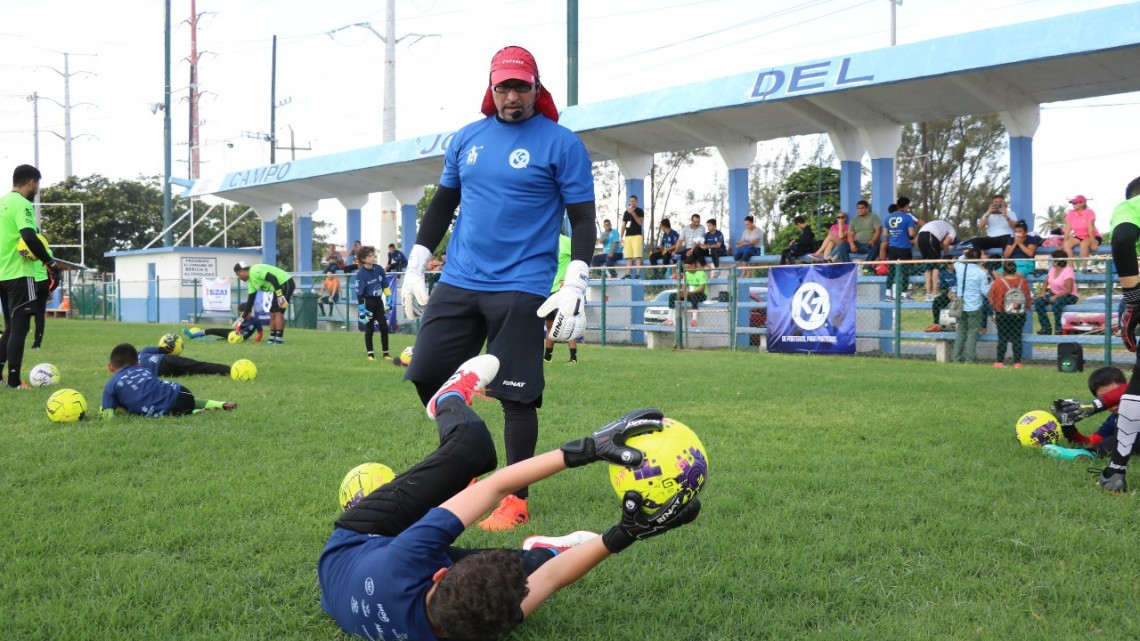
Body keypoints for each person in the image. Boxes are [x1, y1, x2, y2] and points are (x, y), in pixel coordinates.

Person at [319, 355, 700, 641]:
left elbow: (494, 486)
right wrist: (627, 531)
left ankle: (448, 399)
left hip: (359, 537)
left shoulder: (407, 557)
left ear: (438, 570)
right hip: (381, 572)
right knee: (534, 566)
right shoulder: (480, 623)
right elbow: (548, 580)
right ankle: (544, 547)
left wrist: (590, 449)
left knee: (473, 449)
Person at [399, 46, 597, 531]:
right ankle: (468, 466)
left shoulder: (561, 143)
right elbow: (444, 204)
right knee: (426, 374)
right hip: (459, 279)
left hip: (523, 285)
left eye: (521, 87)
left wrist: (577, 281)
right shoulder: (467, 138)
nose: (512, 96)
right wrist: (417, 261)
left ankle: (514, 497)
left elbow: (583, 218)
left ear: (536, 88)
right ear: (491, 89)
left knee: (518, 397)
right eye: (503, 87)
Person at [1055, 175, 1140, 492]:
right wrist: (1069, 428)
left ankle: (1116, 473)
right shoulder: (1117, 416)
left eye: (1111, 393)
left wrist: (1132, 297)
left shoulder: (1132, 205)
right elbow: (1094, 439)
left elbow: (1120, 242)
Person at [0, 164, 60, 389]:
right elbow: (29, 236)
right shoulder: (22, 204)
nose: (37, 190)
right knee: (20, 328)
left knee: (9, 327)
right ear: (32, 182)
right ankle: (14, 381)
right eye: (38, 185)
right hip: (19, 274)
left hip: (1, 273)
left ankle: (1, 376)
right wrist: (49, 261)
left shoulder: (1, 202)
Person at [100, 343, 235, 419]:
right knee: (188, 400)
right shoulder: (145, 370)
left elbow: (109, 417)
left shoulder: (110, 387)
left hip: (173, 407)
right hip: (182, 391)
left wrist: (107, 411)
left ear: (110, 367)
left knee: (174, 411)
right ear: (138, 363)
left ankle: (196, 413)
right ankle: (221, 404)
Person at [1043, 367, 1125, 461]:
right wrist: (1068, 427)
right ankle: (1083, 454)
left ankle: (1091, 454)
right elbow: (1089, 443)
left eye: (1114, 395)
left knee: (1128, 434)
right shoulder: (1114, 419)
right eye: (1105, 398)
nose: (1113, 403)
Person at [234, 261, 294, 345]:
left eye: (238, 275)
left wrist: (280, 295)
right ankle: (272, 338)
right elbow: (249, 303)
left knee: (279, 311)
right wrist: (240, 321)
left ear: (242, 271)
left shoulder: (254, 270)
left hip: (285, 283)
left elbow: (273, 278)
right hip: (277, 288)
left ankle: (279, 339)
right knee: (272, 312)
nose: (239, 277)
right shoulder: (251, 282)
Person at [950, 248, 991, 364]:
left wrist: (965, 254)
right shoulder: (981, 273)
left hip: (960, 305)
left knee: (961, 332)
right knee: (972, 334)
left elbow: (959, 260)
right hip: (974, 306)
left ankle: (956, 358)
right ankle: (969, 360)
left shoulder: (959, 267)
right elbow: (985, 291)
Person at [987, 261, 1031, 368]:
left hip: (1003, 313)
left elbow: (992, 298)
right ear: (1015, 269)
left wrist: (997, 309)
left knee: (1002, 338)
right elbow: (1027, 297)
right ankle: (1017, 362)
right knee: (1017, 337)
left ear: (1003, 270)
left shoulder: (999, 282)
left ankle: (999, 361)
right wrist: (1026, 308)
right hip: (1018, 314)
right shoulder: (1022, 282)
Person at [543, 235, 578, 364]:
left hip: (562, 290)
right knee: (549, 324)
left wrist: (570, 279)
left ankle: (573, 358)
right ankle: (547, 356)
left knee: (566, 324)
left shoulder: (567, 242)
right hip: (547, 289)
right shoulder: (546, 241)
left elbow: (578, 261)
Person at [355, 245, 392, 361]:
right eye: (370, 256)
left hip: (379, 302)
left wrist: (389, 297)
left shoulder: (379, 269)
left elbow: (385, 284)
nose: (373, 257)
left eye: (373, 255)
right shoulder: (360, 274)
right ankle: (370, 355)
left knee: (384, 327)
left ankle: (386, 354)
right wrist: (362, 308)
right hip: (368, 303)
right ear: (363, 259)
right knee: (369, 329)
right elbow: (359, 294)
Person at [1033, 250, 1078, 335]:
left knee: (1056, 303)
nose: (1052, 260)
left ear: (1058, 261)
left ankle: (1058, 329)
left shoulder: (1068, 270)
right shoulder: (1052, 269)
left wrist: (1056, 296)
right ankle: (1046, 327)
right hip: (1054, 293)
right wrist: (1042, 293)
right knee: (1038, 302)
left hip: (1069, 295)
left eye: (1053, 259)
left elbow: (1069, 290)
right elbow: (1046, 282)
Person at [881, 198, 917, 299]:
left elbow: (885, 234)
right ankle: (903, 294)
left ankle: (888, 293)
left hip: (892, 248)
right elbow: (911, 234)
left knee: (891, 270)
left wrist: (894, 236)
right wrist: (912, 238)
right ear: (906, 206)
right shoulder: (907, 217)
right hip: (904, 248)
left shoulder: (888, 218)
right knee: (905, 271)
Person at [30, 224, 59, 349]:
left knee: (21, 313)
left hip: (28, 282)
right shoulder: (47, 249)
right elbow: (51, 268)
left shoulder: (23, 247)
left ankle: (15, 338)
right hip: (42, 283)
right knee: (40, 315)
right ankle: (37, 344)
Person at [916, 218, 957, 301]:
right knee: (936, 267)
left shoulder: (943, 226)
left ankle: (928, 295)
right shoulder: (953, 232)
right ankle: (934, 294)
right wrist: (946, 256)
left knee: (927, 268)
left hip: (920, 236)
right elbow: (945, 243)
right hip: (930, 236)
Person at [137, 343, 233, 377]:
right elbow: (164, 349)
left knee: (194, 371)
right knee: (199, 366)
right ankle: (228, 370)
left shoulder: (130, 367)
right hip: (166, 360)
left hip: (164, 373)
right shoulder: (144, 351)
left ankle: (227, 370)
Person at [185, 302, 264, 343]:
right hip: (234, 333)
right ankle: (192, 335)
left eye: (242, 313)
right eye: (240, 314)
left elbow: (260, 334)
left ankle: (199, 339)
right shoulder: (241, 318)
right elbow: (237, 327)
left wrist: (256, 342)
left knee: (218, 341)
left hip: (240, 338)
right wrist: (237, 330)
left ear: (248, 312)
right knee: (213, 330)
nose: (241, 315)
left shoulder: (256, 321)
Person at [667, 255, 708, 327]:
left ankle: (694, 319)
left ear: (694, 265)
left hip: (700, 294)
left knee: (694, 296)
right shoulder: (686, 274)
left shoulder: (701, 273)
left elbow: (702, 288)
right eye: (685, 268)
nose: (687, 269)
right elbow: (684, 286)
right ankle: (669, 319)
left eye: (688, 267)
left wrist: (689, 293)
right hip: (689, 294)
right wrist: (683, 292)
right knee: (672, 296)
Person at [1061, 195, 1101, 269]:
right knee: (1066, 245)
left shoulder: (1089, 212)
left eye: (1075, 203)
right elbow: (1068, 229)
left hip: (1092, 236)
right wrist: (1064, 243)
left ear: (1082, 203)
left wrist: (1093, 243)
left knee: (1084, 244)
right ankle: (1071, 268)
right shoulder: (1071, 213)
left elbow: (1090, 229)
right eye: (1072, 203)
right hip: (1079, 237)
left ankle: (1084, 268)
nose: (1073, 205)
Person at [620, 195, 644, 278]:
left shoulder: (639, 211)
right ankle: (628, 274)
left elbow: (640, 222)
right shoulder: (626, 212)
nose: (632, 202)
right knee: (628, 256)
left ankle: (638, 274)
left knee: (638, 255)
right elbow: (624, 225)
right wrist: (621, 237)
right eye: (630, 201)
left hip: (637, 235)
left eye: (634, 201)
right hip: (628, 236)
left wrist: (633, 214)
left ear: (636, 202)